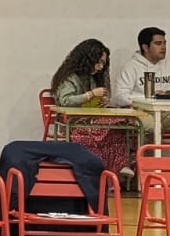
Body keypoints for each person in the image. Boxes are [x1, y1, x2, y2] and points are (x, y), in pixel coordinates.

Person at [51, 39, 139, 178]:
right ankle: (108, 169)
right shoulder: (70, 77)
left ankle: (120, 165)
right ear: (87, 59)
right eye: (98, 62)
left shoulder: (91, 77)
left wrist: (101, 101)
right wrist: (90, 94)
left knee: (122, 124)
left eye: (103, 63)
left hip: (89, 119)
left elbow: (90, 104)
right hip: (73, 122)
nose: (100, 67)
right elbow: (65, 100)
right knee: (108, 130)